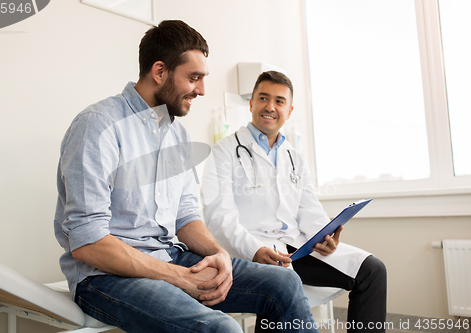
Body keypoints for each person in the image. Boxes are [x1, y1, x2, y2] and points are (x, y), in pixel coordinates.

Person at [54, 21, 318, 333]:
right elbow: (89, 243)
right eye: (194, 78)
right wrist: (178, 277)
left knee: (284, 282)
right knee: (222, 329)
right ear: (160, 72)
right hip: (105, 276)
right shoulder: (98, 126)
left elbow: (186, 217)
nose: (202, 90)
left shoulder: (177, 135)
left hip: (169, 256)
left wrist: (219, 254)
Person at [202, 71, 387, 332]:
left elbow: (309, 208)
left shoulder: (294, 157)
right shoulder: (223, 152)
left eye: (279, 101)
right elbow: (218, 217)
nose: (270, 106)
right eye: (263, 98)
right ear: (252, 103)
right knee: (279, 285)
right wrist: (254, 250)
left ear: (289, 110)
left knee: (372, 270)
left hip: (296, 247)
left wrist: (325, 235)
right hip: (250, 250)